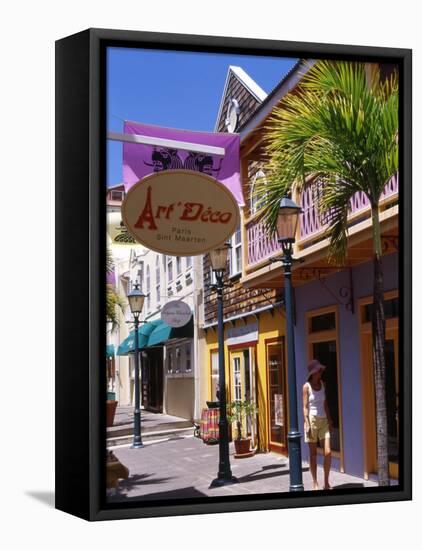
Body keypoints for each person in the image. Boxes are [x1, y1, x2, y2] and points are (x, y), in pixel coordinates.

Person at [302, 359, 333, 490]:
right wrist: (307, 422)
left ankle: (326, 482)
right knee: (313, 455)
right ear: (313, 373)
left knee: (328, 452)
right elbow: (305, 407)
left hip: (324, 420)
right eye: (318, 371)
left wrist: (330, 419)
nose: (320, 372)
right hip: (312, 420)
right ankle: (315, 482)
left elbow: (325, 404)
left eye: (320, 370)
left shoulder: (323, 384)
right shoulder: (306, 387)